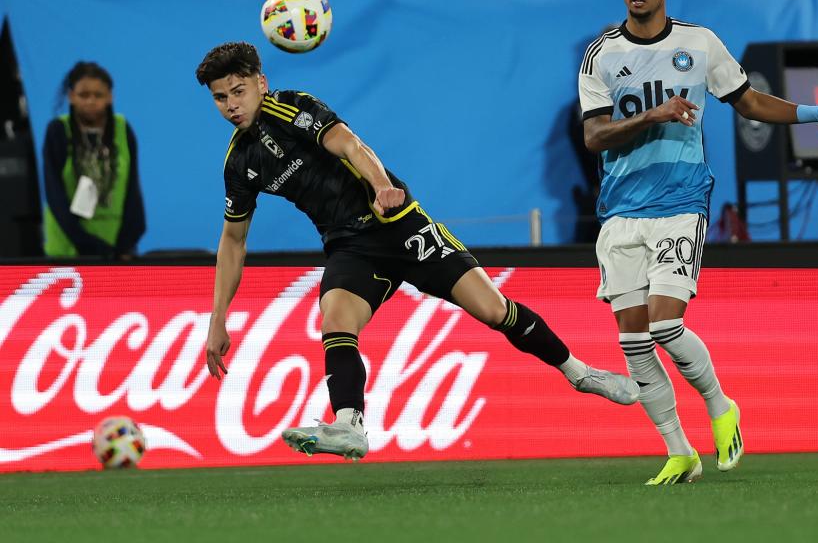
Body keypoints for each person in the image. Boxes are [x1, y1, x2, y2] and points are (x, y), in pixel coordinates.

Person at [196, 41, 641, 461]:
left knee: (493, 311)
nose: (231, 104)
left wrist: (383, 186)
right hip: (349, 247)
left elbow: (350, 144)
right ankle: (349, 424)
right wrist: (218, 320)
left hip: (397, 225)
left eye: (238, 91)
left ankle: (580, 373)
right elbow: (233, 241)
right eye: (220, 98)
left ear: (262, 83)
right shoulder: (239, 162)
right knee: (336, 318)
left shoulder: (292, 107)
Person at [578, 0, 818, 484]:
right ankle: (679, 451)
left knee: (665, 324)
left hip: (681, 203)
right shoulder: (601, 56)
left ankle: (720, 404)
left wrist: (814, 113)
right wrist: (653, 115)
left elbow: (749, 101)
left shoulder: (698, 44)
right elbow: (593, 135)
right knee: (632, 341)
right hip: (620, 213)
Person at [42, 61, 147, 258]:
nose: (90, 101)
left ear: (110, 97)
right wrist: (85, 243)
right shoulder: (58, 130)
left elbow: (133, 191)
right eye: (83, 95)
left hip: (116, 247)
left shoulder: (123, 129)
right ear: (71, 96)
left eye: (98, 95)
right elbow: (54, 194)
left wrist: (127, 242)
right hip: (67, 250)